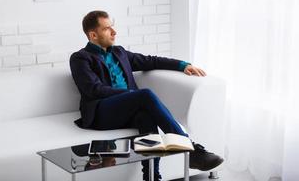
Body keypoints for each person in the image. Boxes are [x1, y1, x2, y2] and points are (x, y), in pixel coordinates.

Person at [70, 10, 223, 181]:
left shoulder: (119, 52)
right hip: (101, 112)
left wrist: (183, 65)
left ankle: (151, 176)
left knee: (146, 118)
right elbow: (93, 89)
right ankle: (189, 148)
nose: (114, 32)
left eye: (112, 26)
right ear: (93, 35)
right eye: (107, 28)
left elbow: (151, 60)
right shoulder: (80, 58)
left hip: (127, 109)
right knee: (144, 95)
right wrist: (131, 94)